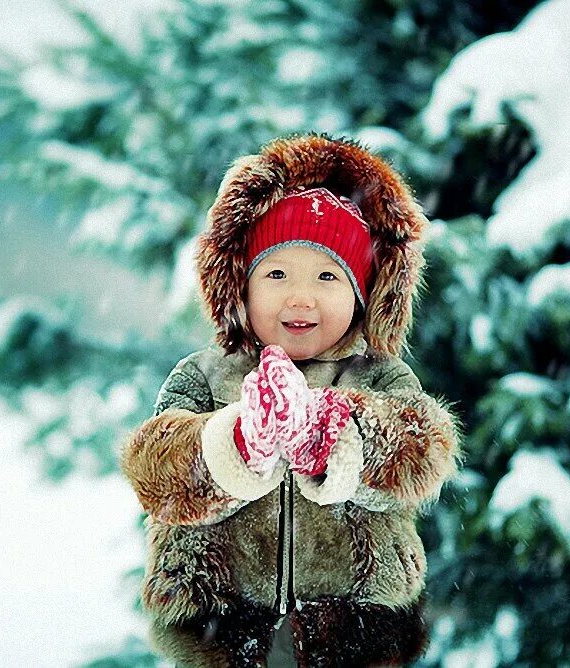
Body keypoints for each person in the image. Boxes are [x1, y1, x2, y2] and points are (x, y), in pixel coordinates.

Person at [119, 133, 463, 667]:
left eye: (328, 276)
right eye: (276, 274)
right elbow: (156, 471)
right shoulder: (206, 375)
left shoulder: (378, 377)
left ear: (362, 296)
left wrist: (338, 439)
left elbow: (420, 451)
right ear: (240, 286)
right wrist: (235, 444)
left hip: (354, 623)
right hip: (222, 623)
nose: (300, 297)